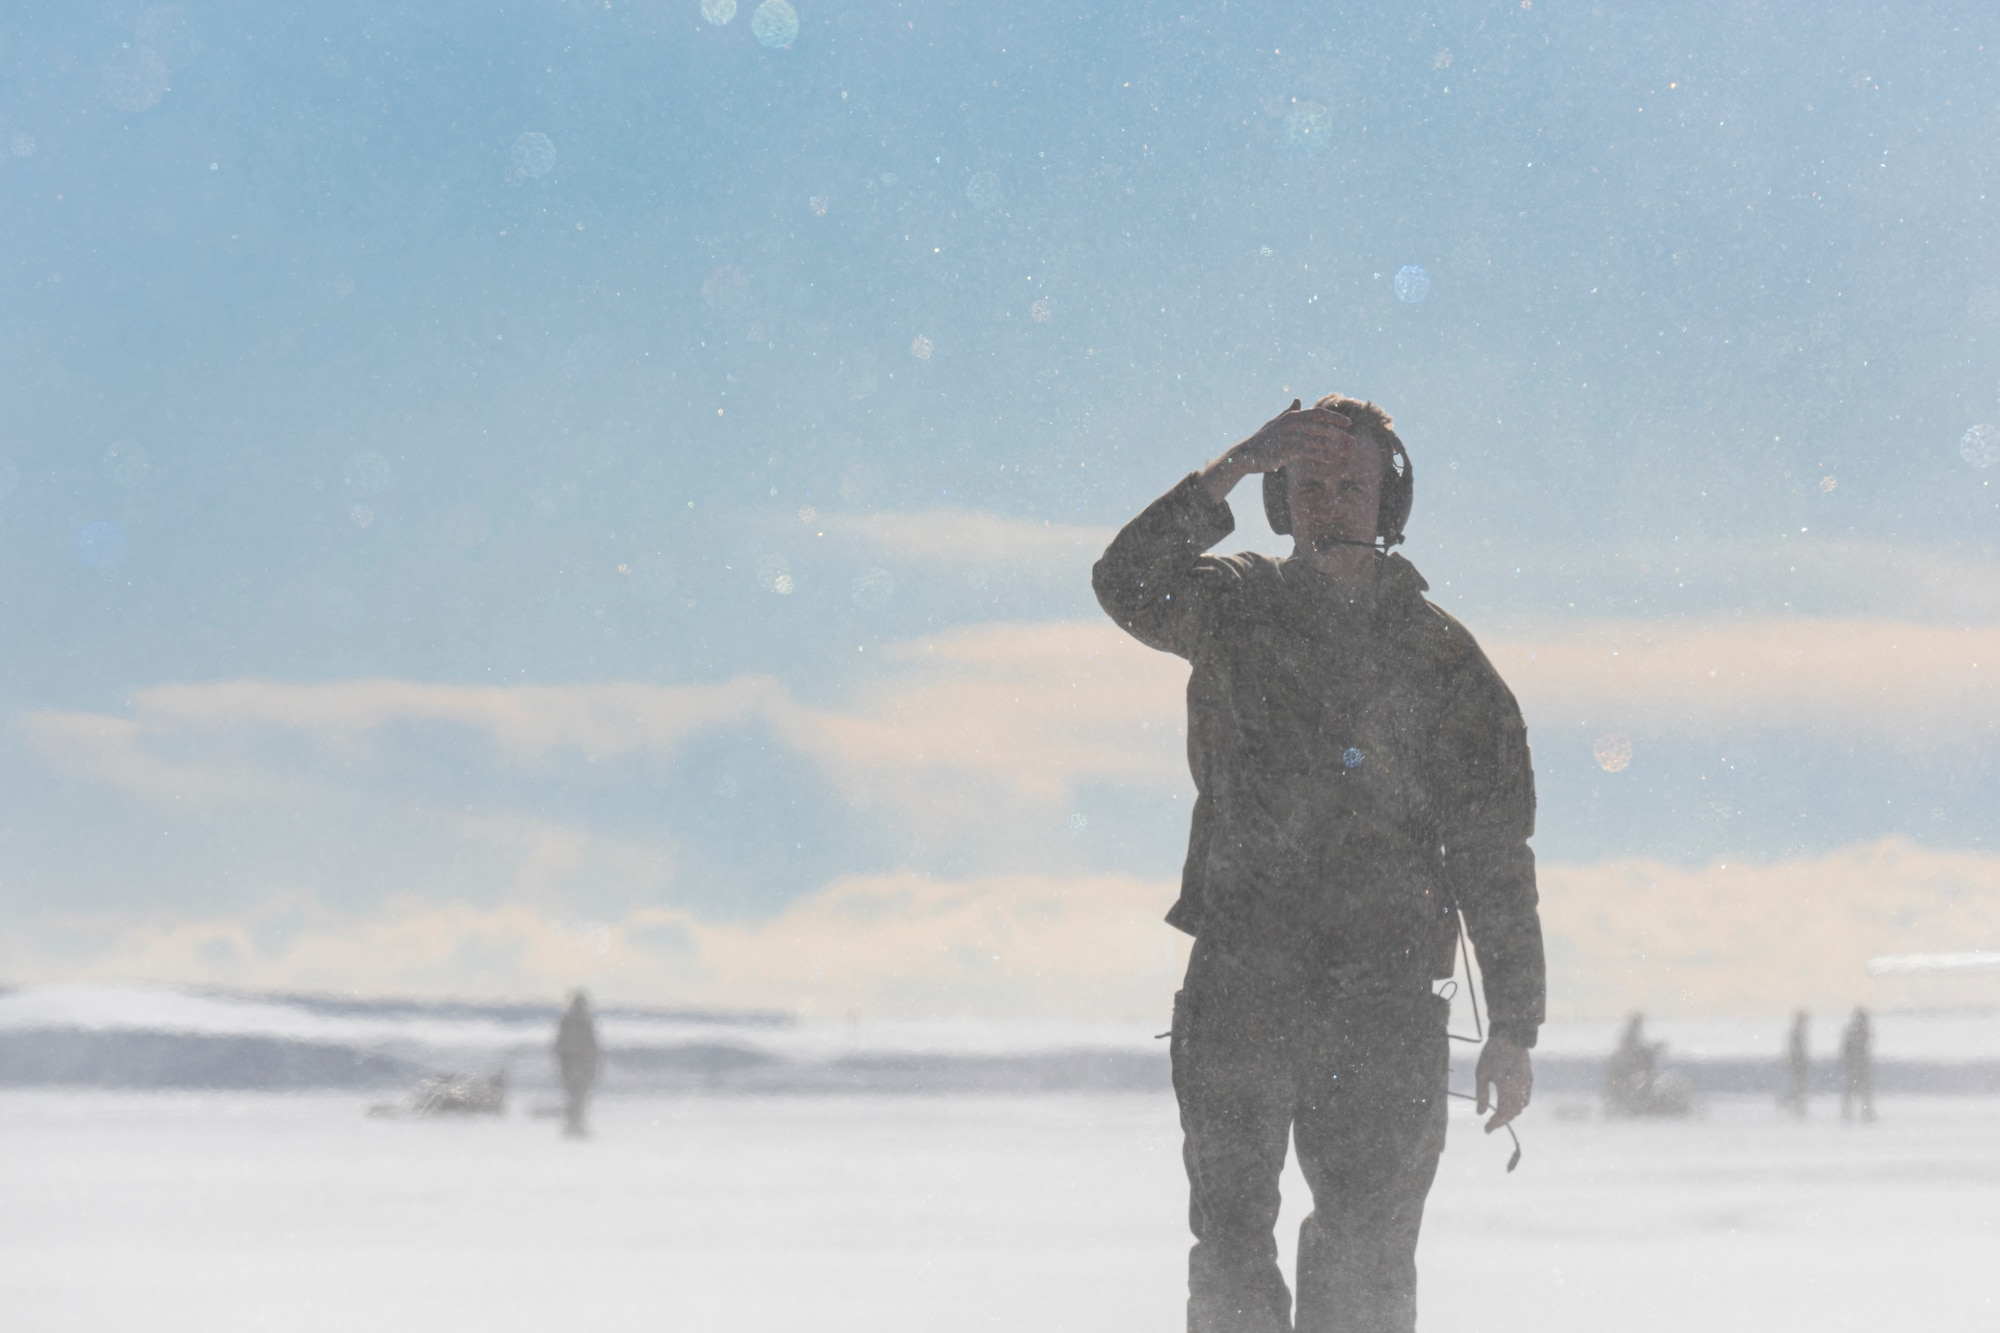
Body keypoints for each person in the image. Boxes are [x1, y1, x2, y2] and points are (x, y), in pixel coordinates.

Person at [1093, 396, 1544, 1333]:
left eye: (1353, 484)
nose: (1332, 502)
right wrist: (1232, 465)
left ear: (1391, 500)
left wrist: (1514, 1023)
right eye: (1308, 485)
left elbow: (1494, 853)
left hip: (1382, 1003)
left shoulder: (1444, 660)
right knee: (1231, 1254)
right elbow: (1126, 579)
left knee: (1368, 1260)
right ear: (1281, 501)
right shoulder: (1233, 609)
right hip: (1243, 984)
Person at [554, 989, 603, 1138]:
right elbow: (591, 1047)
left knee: (575, 1097)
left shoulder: (569, 1020)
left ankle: (574, 1126)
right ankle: (574, 1126)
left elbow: (560, 1046)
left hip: (573, 1066)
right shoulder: (579, 1021)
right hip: (577, 1066)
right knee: (578, 1098)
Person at [1840, 1006, 1875, 1123]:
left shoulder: (1860, 1031)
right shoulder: (1856, 1031)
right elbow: (1847, 1049)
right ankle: (1851, 1112)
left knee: (1860, 1090)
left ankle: (1862, 1111)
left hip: (1859, 1065)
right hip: (1856, 1066)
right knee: (1856, 1090)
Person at [1780, 1010, 1811, 1119]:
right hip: (1798, 1064)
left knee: (1798, 1086)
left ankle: (1795, 1106)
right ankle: (1795, 1106)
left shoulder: (1798, 1033)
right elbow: (1795, 1050)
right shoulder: (1797, 1033)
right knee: (1798, 1086)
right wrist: (1797, 1061)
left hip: (1798, 1064)